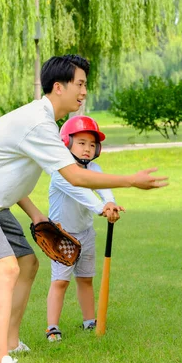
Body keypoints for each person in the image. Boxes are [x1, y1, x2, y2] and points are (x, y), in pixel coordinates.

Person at [0, 55, 167, 363]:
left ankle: (12, 341)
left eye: (85, 85)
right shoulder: (39, 123)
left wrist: (35, 215)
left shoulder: (45, 123)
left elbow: (8, 172)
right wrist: (131, 180)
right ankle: (0, 361)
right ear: (58, 87)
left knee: (27, 263)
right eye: (79, 84)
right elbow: (76, 176)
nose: (84, 91)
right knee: (6, 270)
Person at [45, 115, 125, 342]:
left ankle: (90, 320)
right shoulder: (61, 172)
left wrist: (110, 203)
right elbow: (83, 193)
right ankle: (52, 327)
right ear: (67, 143)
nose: (87, 149)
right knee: (60, 281)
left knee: (86, 278)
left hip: (86, 233)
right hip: (62, 235)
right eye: (81, 143)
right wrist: (102, 208)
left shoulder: (94, 168)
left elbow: (103, 187)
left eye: (92, 144)